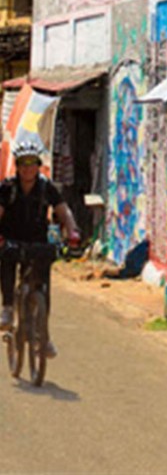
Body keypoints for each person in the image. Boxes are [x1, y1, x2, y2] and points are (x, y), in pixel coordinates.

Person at [0, 141, 81, 358]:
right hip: (12, 239)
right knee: (6, 260)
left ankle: (43, 336)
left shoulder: (47, 187)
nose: (28, 168)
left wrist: (72, 232)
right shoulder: (7, 187)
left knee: (43, 286)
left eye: (32, 163)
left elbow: (64, 212)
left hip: (38, 241)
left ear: (38, 165)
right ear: (17, 165)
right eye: (23, 163)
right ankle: (7, 308)